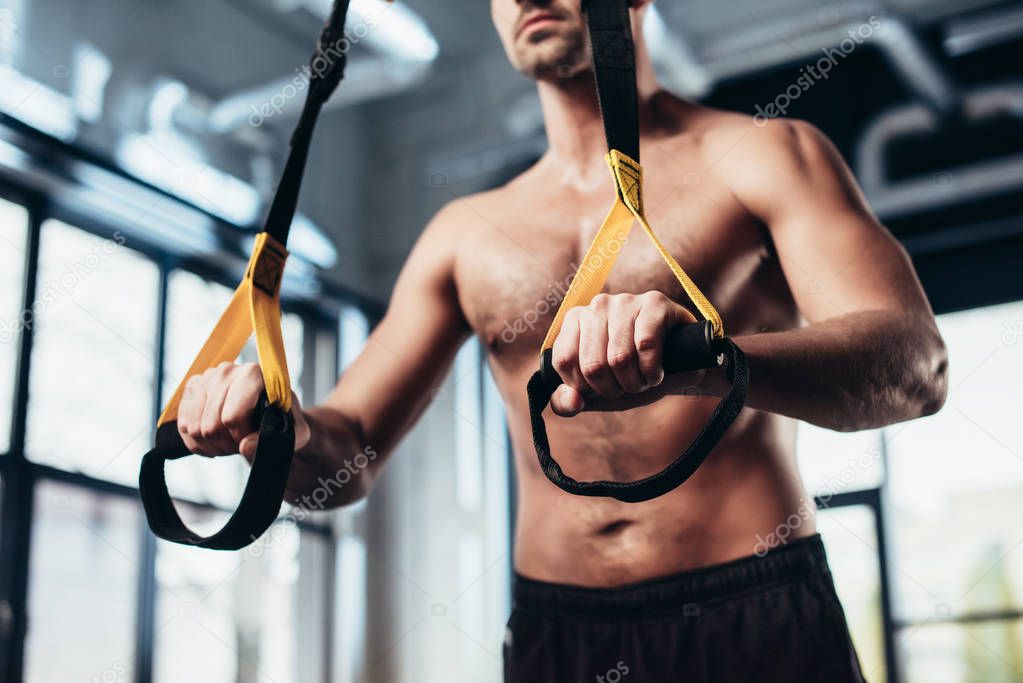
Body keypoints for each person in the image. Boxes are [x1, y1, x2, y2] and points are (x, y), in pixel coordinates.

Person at [175, 1, 948, 680]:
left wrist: (705, 361)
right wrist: (278, 428)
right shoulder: (463, 234)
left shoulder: (764, 155)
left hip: (751, 605)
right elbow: (348, 455)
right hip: (558, 630)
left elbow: (914, 366)